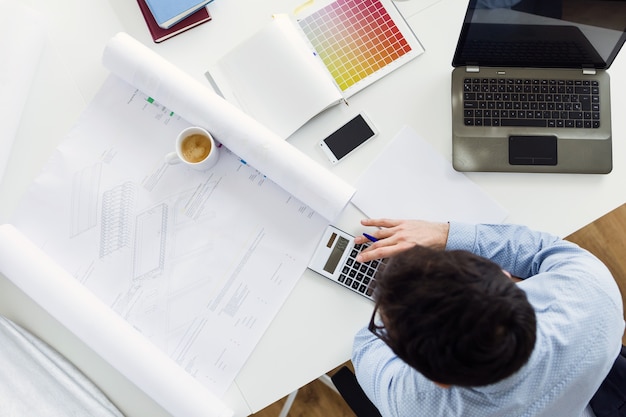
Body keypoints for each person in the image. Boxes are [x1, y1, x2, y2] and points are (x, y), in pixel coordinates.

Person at [351, 218, 625, 417]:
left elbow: (365, 348)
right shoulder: (593, 293)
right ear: (505, 276)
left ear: (440, 381)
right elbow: (542, 247)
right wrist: (444, 233)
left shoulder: (414, 406)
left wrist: (395, 297)